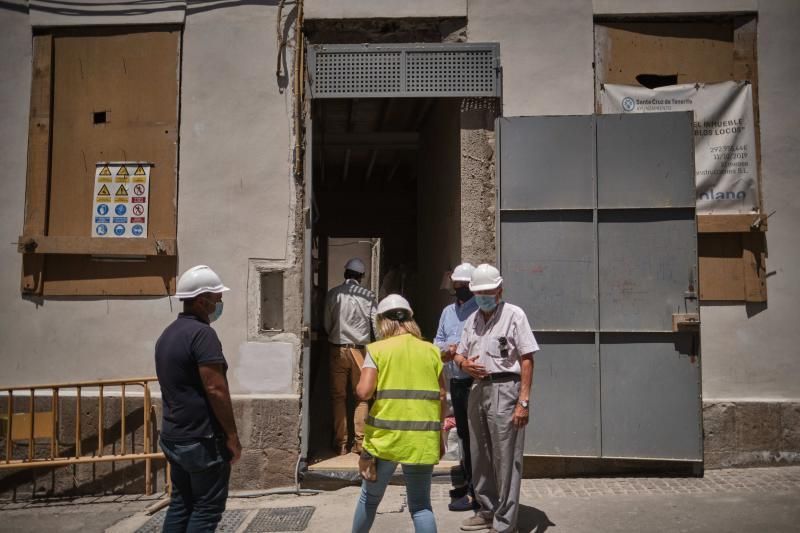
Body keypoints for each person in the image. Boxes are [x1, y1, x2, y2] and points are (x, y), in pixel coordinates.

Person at [155, 265, 242, 533]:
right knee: (206, 510)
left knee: (181, 504)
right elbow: (216, 389)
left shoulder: (168, 334)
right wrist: (231, 436)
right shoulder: (203, 335)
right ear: (202, 300)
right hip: (201, 441)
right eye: (217, 299)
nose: (219, 304)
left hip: (174, 437)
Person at [454, 264, 538, 533]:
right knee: (479, 455)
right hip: (478, 389)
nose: (483, 296)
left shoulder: (515, 316)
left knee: (505, 458)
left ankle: (505, 523)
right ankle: (487, 509)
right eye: (478, 292)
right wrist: (464, 364)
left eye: (488, 292)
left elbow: (527, 359)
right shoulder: (472, 320)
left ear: (499, 290)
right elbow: (458, 354)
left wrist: (523, 401)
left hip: (506, 388)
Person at [352, 294, 446, 533]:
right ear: (410, 319)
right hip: (421, 439)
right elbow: (441, 396)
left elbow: (364, 392)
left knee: (369, 499)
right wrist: (439, 437)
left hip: (385, 440)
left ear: (383, 321)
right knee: (421, 506)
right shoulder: (432, 351)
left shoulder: (377, 349)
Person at [434, 262, 479, 512]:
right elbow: (437, 340)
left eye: (463, 286)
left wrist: (457, 350)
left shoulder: (478, 312)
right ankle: (469, 481)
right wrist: (446, 350)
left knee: (474, 437)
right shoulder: (447, 312)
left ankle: (476, 489)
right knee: (463, 434)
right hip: (456, 381)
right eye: (456, 285)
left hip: (474, 381)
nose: (458, 289)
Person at [324, 257, 378, 455]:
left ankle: (340, 444)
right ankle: (360, 443)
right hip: (360, 351)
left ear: (345, 273)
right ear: (361, 277)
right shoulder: (369, 296)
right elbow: (377, 326)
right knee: (362, 398)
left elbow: (326, 324)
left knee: (338, 397)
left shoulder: (333, 294)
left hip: (337, 348)